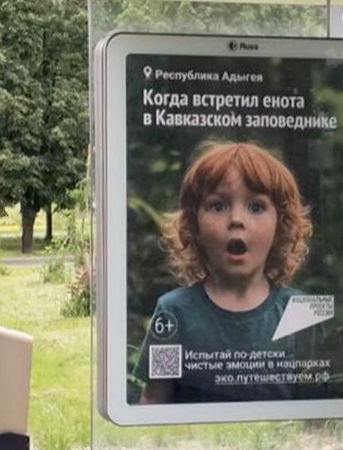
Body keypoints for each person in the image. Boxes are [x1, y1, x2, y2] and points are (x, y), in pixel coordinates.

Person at [135, 140, 323, 406]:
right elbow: (155, 400)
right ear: (194, 226)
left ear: (281, 225)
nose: (236, 219)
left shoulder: (301, 314)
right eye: (218, 206)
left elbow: (317, 413)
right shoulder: (174, 313)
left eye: (256, 207)